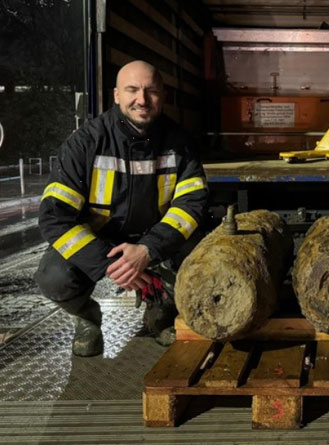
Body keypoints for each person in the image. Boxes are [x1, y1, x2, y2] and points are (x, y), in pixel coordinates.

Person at [34, 60, 208, 357]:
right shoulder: (85, 143)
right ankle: (87, 318)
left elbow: (192, 205)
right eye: (132, 90)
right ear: (116, 95)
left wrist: (148, 251)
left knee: (201, 255)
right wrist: (109, 264)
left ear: (162, 96)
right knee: (54, 277)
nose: (142, 99)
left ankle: (161, 310)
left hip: (156, 240)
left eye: (151, 91)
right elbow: (55, 217)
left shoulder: (180, 142)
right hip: (102, 242)